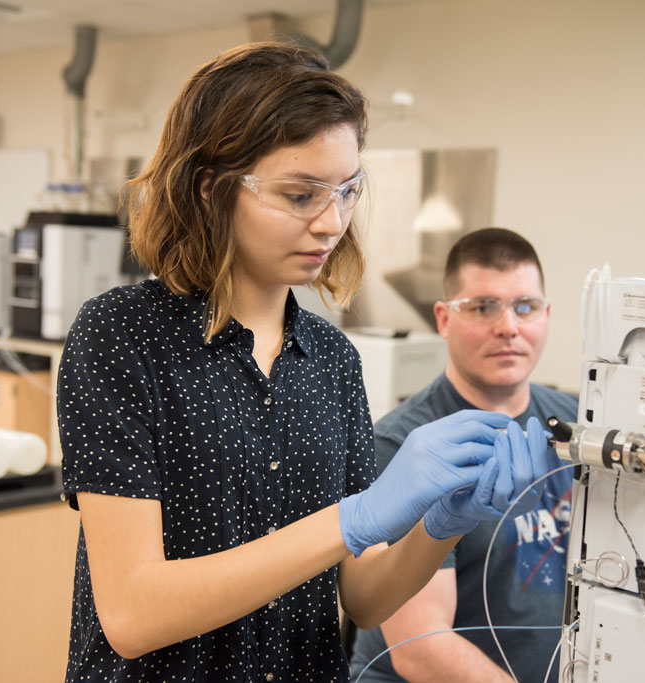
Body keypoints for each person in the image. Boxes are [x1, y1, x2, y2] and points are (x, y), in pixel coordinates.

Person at [57, 43, 550, 682]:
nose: (332, 223)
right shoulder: (123, 335)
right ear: (211, 189)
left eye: (347, 192)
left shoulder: (332, 361)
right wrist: (350, 520)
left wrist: (440, 527)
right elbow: (132, 614)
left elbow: (363, 597)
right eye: (299, 195)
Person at [349, 228, 580, 683]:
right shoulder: (401, 445)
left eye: (525, 307)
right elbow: (421, 649)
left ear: (547, 314)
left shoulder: (572, 424)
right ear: (444, 318)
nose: (508, 327)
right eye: (483, 307)